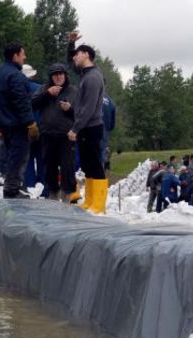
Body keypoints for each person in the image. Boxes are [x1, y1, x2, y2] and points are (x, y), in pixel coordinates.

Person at [0, 43, 40, 198]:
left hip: (3, 123)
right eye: (23, 54)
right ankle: (12, 190)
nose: (25, 57)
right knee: (18, 157)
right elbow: (21, 102)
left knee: (10, 155)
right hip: (18, 124)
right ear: (15, 55)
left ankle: (10, 187)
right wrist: (30, 123)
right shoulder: (16, 76)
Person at [68, 43, 107, 213]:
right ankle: (90, 201)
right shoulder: (86, 74)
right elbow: (72, 65)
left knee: (95, 165)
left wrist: (75, 128)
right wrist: (71, 44)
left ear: (86, 54)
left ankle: (98, 205)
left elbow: (89, 108)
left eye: (76, 54)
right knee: (88, 166)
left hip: (91, 127)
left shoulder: (92, 77)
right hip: (86, 127)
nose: (74, 57)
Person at [32, 63, 79, 202]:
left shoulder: (73, 91)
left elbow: (81, 114)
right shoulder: (44, 89)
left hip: (67, 135)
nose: (58, 77)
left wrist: (70, 109)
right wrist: (48, 94)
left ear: (65, 75)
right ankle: (53, 193)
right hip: (47, 134)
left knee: (67, 167)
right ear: (51, 77)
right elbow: (32, 103)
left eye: (61, 74)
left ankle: (67, 196)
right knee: (49, 166)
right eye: (55, 74)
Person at [22, 64, 46, 191]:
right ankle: (44, 187)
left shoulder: (18, 90)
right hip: (41, 127)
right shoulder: (41, 88)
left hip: (25, 128)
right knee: (42, 158)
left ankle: (29, 185)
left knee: (28, 158)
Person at [101, 95, 116, 173]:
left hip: (89, 136)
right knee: (101, 163)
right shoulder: (111, 102)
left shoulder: (90, 95)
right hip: (104, 137)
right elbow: (112, 125)